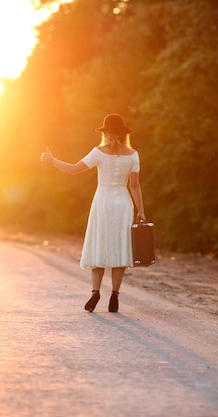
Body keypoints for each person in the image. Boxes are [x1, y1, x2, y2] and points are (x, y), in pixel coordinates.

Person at [40, 114, 146, 313]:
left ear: (105, 133)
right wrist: (141, 211)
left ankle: (95, 292)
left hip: (103, 202)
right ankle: (114, 295)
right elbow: (135, 185)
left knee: (100, 245)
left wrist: (51, 160)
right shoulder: (133, 155)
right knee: (119, 247)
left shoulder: (98, 153)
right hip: (123, 203)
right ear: (124, 134)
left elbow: (73, 170)